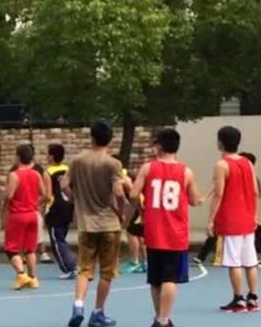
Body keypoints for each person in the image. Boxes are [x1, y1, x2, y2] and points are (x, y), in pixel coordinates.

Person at [131, 128, 201, 327]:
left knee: (155, 279)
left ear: (160, 146)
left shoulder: (148, 168)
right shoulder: (186, 172)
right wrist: (198, 199)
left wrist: (142, 209)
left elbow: (134, 194)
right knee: (170, 278)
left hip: (154, 230)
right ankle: (163, 318)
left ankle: (160, 318)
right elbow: (194, 200)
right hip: (176, 232)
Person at [65, 121, 126, 327]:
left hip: (86, 223)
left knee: (84, 269)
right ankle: (98, 311)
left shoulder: (77, 160)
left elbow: (64, 186)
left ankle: (78, 305)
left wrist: (77, 199)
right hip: (108, 223)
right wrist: (120, 211)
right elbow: (119, 192)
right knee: (107, 272)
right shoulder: (113, 164)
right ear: (110, 139)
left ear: (91, 136)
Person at [207, 126, 258, 313]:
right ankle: (253, 297)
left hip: (231, 219)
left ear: (220, 142)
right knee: (250, 261)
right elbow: (255, 191)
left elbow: (219, 194)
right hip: (247, 217)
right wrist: (254, 214)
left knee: (234, 261)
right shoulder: (248, 163)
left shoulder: (222, 165)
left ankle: (238, 299)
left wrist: (211, 220)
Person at [4, 144, 45, 290]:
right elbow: (44, 194)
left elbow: (9, 195)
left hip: (18, 214)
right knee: (30, 249)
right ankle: (33, 278)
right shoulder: (36, 174)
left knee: (11, 249)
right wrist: (34, 204)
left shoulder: (14, 175)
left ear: (18, 157)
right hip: (32, 214)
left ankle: (21, 274)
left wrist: (4, 204)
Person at [44, 143, 77, 279]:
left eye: (48, 154)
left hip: (55, 208)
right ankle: (72, 262)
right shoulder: (68, 170)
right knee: (62, 237)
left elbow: (48, 195)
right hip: (68, 206)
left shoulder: (48, 172)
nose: (46, 156)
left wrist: (41, 206)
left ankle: (69, 267)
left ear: (51, 156)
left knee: (57, 240)